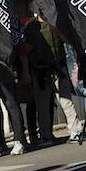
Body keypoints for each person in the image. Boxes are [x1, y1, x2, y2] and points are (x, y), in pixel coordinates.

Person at [18, 12, 62, 146]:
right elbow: (25, 49)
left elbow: (25, 49)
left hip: (43, 68)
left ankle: (43, 134)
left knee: (44, 104)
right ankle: (43, 134)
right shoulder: (33, 27)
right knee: (41, 104)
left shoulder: (39, 25)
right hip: (38, 69)